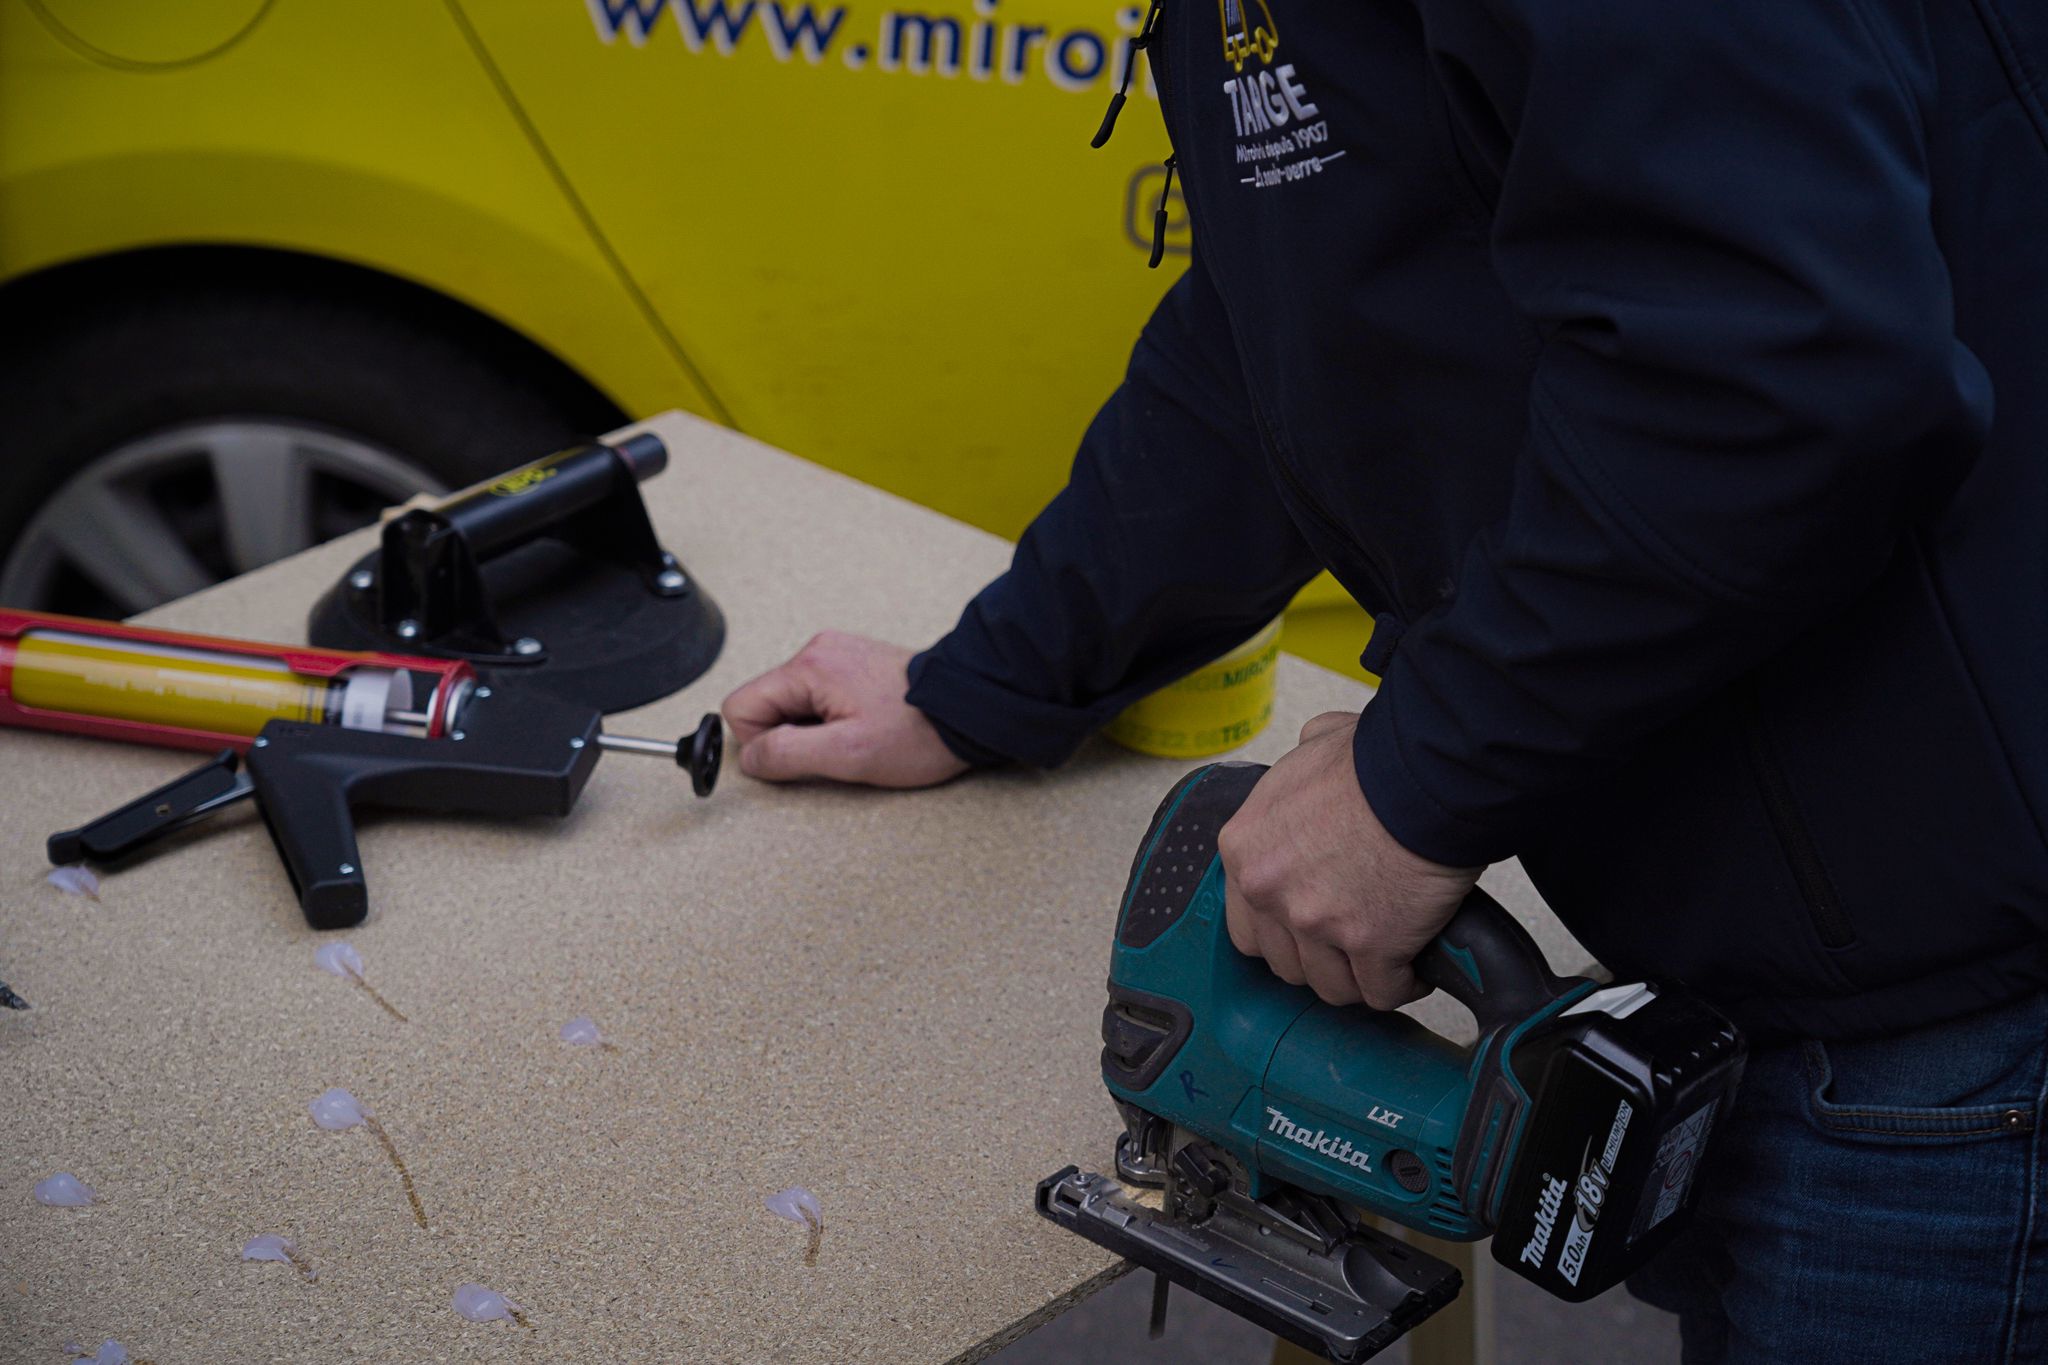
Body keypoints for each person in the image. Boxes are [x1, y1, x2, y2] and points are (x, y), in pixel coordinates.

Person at [723, 3, 2048, 1360]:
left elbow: (1785, 370)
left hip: (1946, 1038)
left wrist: (1412, 782)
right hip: (1778, 972)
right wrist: (984, 681)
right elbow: (1304, 316)